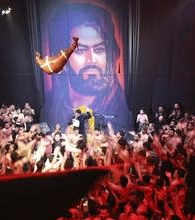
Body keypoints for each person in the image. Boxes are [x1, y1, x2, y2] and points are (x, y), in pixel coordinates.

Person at [43, 2, 132, 132]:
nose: (91, 60)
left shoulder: (123, 110)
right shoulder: (49, 109)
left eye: (99, 49)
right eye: (80, 51)